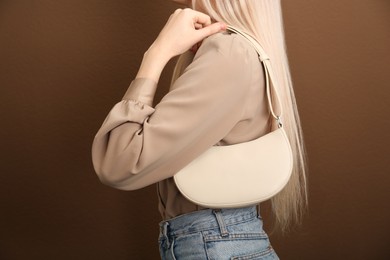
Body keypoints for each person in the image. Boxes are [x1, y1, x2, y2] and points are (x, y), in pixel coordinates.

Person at [92, 0, 307, 259]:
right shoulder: (239, 50)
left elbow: (118, 164)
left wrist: (157, 53)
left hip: (214, 245)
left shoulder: (229, 52)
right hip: (222, 241)